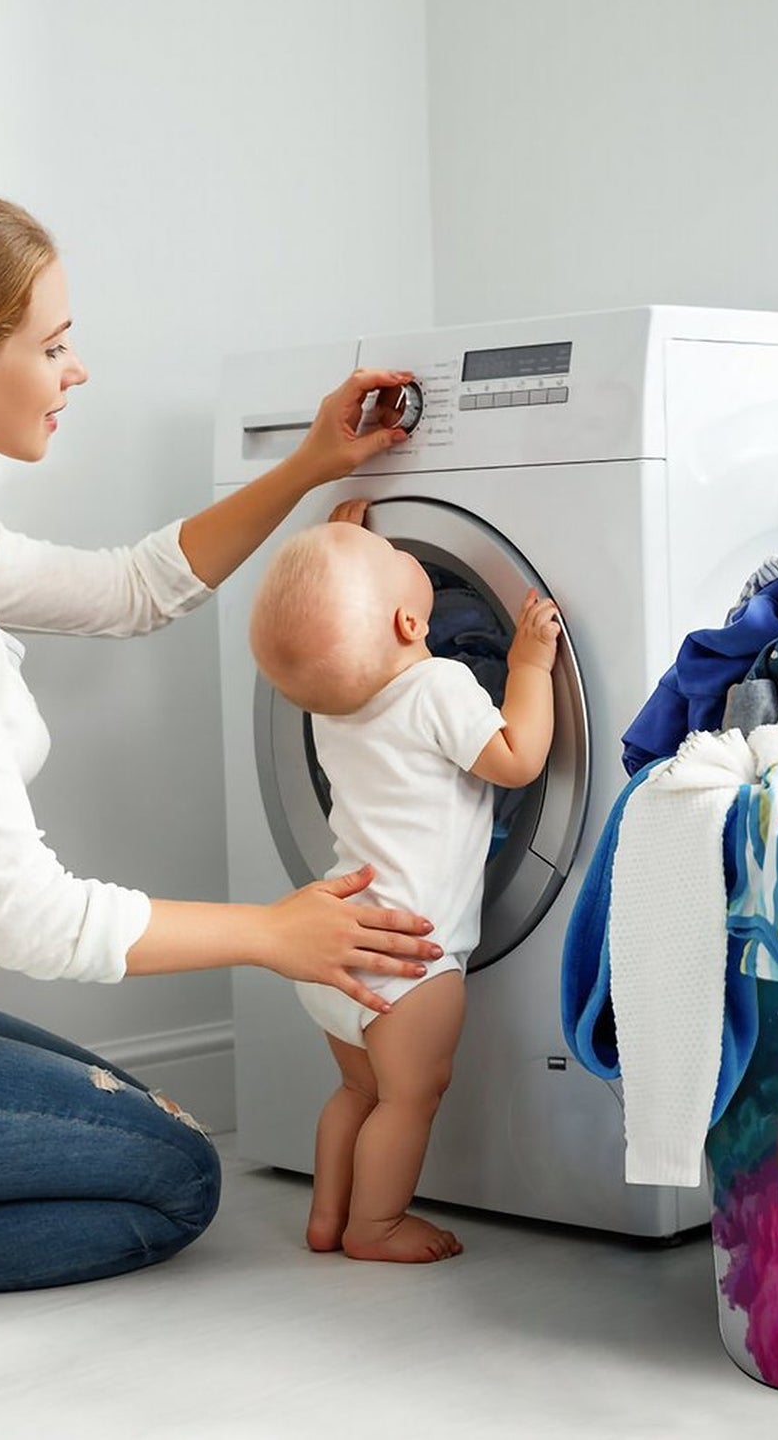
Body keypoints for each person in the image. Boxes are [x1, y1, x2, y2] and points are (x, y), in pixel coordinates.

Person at [0, 184, 445, 1304]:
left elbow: (133, 588)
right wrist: (273, 932)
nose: (78, 371)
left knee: (135, 1115)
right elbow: (31, 917)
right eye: (53, 345)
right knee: (171, 1177)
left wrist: (312, 462)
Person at [249, 514, 559, 1262]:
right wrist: (525, 667)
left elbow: (332, 638)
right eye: (393, 553)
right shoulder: (440, 684)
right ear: (411, 620)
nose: (399, 547)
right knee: (409, 1098)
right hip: (410, 958)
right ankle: (375, 1224)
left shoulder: (330, 704)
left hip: (338, 940)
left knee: (356, 1093)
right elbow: (515, 759)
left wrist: (339, 554)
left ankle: (326, 1215)